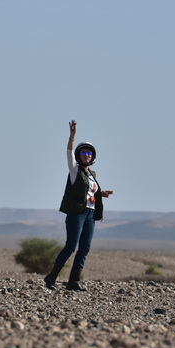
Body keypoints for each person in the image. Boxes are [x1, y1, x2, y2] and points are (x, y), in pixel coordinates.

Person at [44, 120, 113, 291]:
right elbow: (68, 153)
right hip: (77, 214)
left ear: (93, 156)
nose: (87, 155)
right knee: (71, 246)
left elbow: (88, 192)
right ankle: (51, 277)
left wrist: (101, 194)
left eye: (89, 152)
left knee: (85, 248)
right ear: (79, 155)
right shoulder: (75, 171)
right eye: (83, 152)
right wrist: (72, 136)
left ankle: (73, 281)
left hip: (90, 214)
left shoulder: (92, 174)